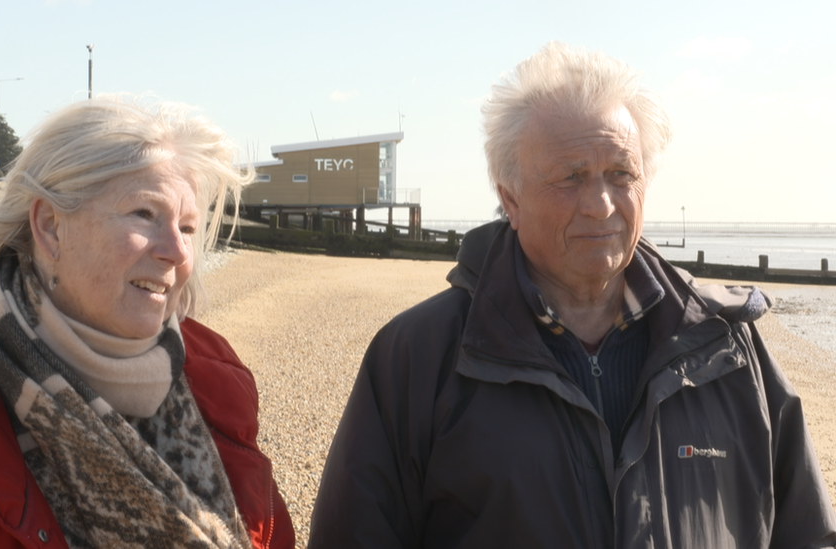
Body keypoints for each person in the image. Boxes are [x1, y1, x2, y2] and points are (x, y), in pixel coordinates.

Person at [308, 43, 836, 547]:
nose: (601, 205)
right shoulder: (418, 360)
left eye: (621, 173)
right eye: (572, 177)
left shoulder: (727, 350)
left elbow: (807, 532)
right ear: (509, 199)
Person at [0, 97, 294, 549]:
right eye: (145, 214)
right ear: (50, 226)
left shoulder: (216, 380)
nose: (178, 252)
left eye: (186, 228)